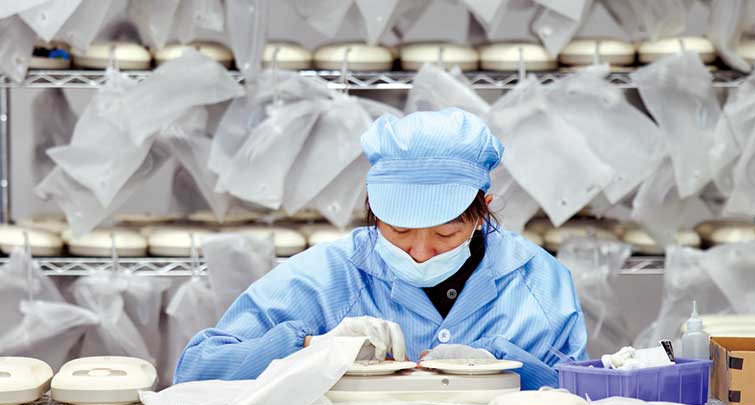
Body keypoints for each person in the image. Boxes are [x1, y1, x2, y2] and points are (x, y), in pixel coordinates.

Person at [174, 108, 587, 389]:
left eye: (445, 233)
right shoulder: (325, 279)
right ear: (372, 209)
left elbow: (584, 400)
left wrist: (506, 366)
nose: (420, 252)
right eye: (399, 230)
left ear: (482, 213)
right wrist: (309, 348)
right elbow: (195, 370)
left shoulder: (540, 284)